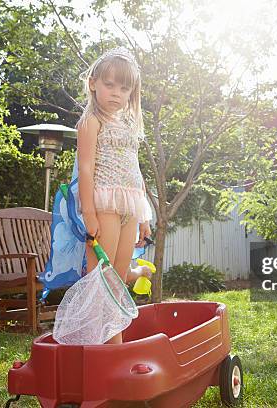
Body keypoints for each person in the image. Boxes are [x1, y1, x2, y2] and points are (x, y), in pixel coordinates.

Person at [76, 47, 153, 343]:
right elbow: (85, 168)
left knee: (117, 280)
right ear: (93, 83)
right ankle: (105, 349)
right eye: (109, 85)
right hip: (105, 203)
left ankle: (112, 348)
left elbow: (136, 171)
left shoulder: (129, 124)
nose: (116, 93)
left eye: (124, 88)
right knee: (102, 280)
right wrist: (90, 213)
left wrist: (144, 217)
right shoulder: (91, 121)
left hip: (130, 205)